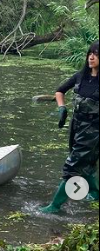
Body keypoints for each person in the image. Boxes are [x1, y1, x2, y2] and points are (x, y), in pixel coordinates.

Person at [41, 41, 99, 213]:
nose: (91, 57)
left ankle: (55, 206)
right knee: (86, 163)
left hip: (94, 130)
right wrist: (61, 108)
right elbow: (60, 91)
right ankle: (95, 194)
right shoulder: (81, 76)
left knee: (72, 166)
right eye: (90, 53)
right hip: (77, 126)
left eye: (96, 54)